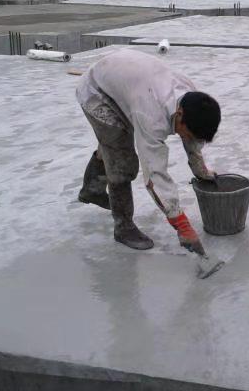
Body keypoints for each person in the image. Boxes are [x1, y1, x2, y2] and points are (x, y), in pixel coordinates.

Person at [76, 49, 220, 254]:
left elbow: (192, 137)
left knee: (111, 145)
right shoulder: (151, 116)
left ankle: (92, 189)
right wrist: (180, 223)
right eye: (188, 134)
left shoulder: (191, 96)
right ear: (179, 115)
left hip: (123, 80)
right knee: (121, 161)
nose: (189, 138)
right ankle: (123, 228)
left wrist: (200, 170)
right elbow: (154, 174)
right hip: (96, 93)